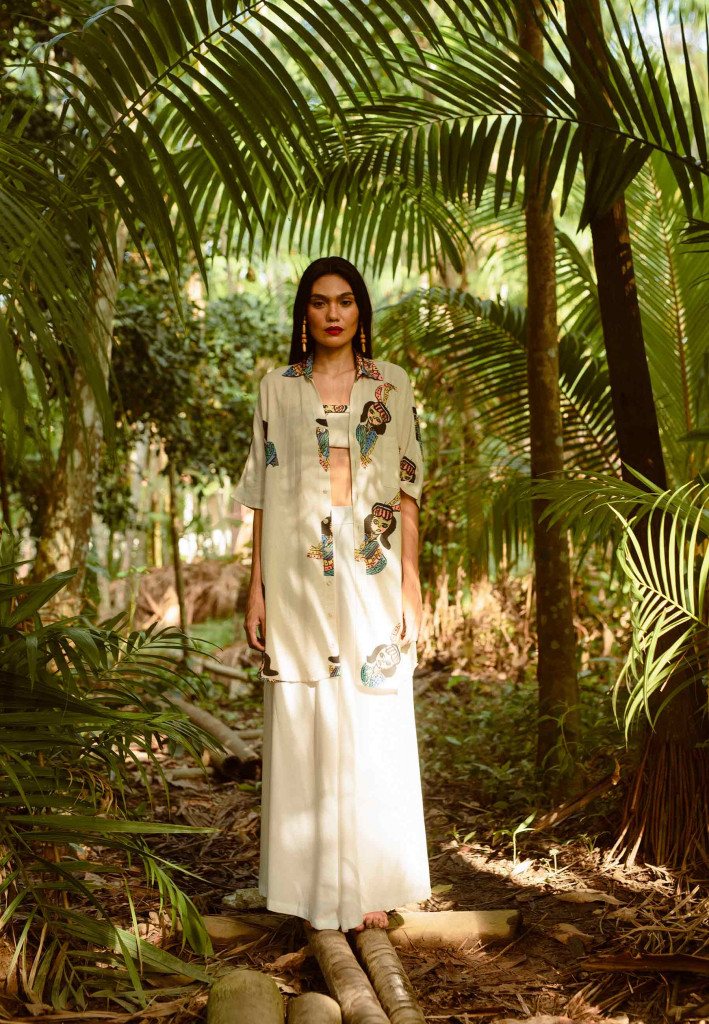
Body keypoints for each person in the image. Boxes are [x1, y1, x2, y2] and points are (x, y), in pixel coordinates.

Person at [234, 256, 431, 933]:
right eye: (319, 302)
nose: (333, 313)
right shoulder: (276, 388)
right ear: (304, 314)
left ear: (360, 311)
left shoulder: (391, 384)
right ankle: (311, 890)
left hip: (372, 564)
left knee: (373, 708)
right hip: (295, 567)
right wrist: (255, 588)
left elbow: (407, 489)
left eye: (345, 301)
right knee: (303, 708)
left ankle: (370, 886)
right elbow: (261, 495)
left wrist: (411, 584)